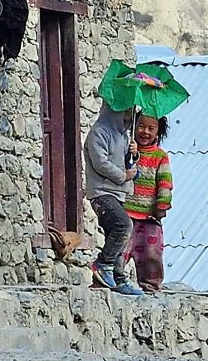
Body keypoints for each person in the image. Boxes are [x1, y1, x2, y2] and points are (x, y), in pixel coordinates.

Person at [84, 103, 144, 296]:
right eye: (126, 111)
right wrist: (123, 176)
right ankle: (103, 263)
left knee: (118, 236)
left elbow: (127, 162)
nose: (129, 117)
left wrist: (133, 154)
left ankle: (116, 277)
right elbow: (101, 163)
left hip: (118, 193)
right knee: (123, 225)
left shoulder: (124, 136)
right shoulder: (99, 133)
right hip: (102, 192)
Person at [123, 114, 172, 292]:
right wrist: (131, 153)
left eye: (151, 129)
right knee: (120, 251)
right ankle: (114, 282)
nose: (145, 132)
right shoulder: (126, 152)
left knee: (151, 254)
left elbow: (165, 183)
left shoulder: (160, 156)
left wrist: (161, 207)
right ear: (133, 127)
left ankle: (150, 286)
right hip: (126, 213)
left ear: (159, 132)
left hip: (149, 217)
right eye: (141, 126)